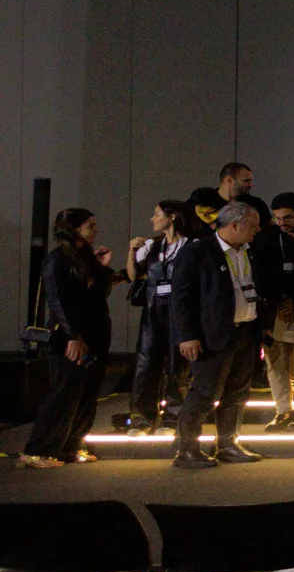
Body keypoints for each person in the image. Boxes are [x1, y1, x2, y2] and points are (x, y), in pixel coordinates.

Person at [17, 208, 119, 467]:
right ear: (73, 228)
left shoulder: (84, 257)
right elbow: (58, 301)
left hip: (95, 333)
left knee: (86, 393)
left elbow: (96, 296)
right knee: (63, 393)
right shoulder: (57, 259)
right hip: (69, 337)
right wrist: (73, 336)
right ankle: (37, 451)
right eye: (90, 226)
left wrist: (101, 269)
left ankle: (70, 447)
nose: (95, 231)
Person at [169, 202, 265, 469]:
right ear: (234, 225)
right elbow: (181, 298)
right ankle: (186, 449)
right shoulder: (198, 251)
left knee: (238, 392)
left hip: (246, 331)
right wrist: (186, 336)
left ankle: (227, 444)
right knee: (205, 392)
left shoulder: (250, 251)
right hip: (211, 335)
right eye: (253, 225)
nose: (258, 230)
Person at [125, 200, 202, 435]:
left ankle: (173, 418)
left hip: (180, 311)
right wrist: (131, 252)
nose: (152, 219)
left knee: (177, 365)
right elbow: (133, 276)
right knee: (145, 362)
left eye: (156, 214)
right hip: (153, 310)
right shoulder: (153, 245)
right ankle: (141, 419)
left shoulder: (194, 245)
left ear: (172, 217)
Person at [256, 193, 294, 430]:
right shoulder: (266, 239)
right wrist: (277, 302)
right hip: (274, 310)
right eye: (277, 217)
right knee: (276, 361)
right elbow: (259, 275)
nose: (282, 222)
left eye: (288, 217)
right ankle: (282, 410)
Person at [217, 161, 273, 226]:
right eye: (246, 181)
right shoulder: (206, 202)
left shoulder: (257, 204)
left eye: (250, 181)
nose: (251, 185)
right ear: (229, 180)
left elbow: (268, 226)